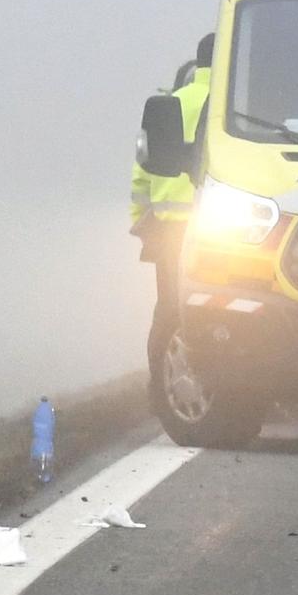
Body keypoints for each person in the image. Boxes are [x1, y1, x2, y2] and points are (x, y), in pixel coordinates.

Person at [132, 34, 211, 382]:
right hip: (225, 232)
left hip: (168, 230)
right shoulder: (240, 105)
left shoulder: (173, 104)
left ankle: (160, 385)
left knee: (168, 312)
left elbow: (142, 171)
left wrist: (141, 225)